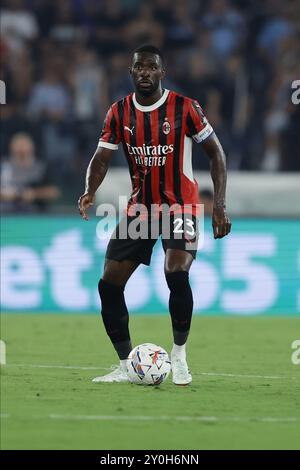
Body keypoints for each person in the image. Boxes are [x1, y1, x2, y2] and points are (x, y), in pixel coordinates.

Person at [78, 45, 231, 385]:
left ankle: (179, 354)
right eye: (139, 68)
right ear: (131, 72)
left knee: (176, 272)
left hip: (182, 205)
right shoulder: (118, 113)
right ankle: (124, 365)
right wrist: (90, 189)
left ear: (162, 72)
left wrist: (218, 204)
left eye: (151, 67)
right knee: (109, 285)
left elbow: (216, 154)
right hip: (141, 209)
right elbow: (101, 157)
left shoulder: (185, 108)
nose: (145, 73)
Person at [1, 132, 60, 213]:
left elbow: (54, 192)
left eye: (24, 146)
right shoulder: (3, 166)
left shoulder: (41, 168)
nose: (21, 150)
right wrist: (5, 194)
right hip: (5, 214)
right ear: (11, 148)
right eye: (18, 146)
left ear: (31, 148)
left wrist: (34, 194)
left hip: (34, 214)